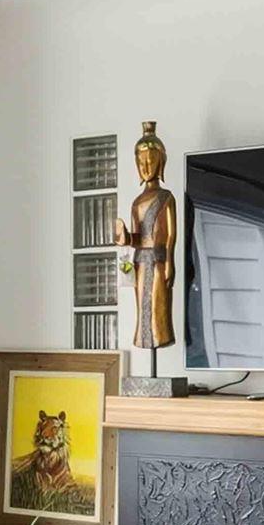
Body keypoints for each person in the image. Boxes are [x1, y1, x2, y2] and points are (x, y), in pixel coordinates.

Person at [115, 121, 177, 360]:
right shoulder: (136, 202)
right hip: (140, 261)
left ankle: (160, 337)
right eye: (141, 162)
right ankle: (143, 338)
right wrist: (124, 237)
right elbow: (137, 237)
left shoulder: (166, 198)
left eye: (150, 160)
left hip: (159, 260)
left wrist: (170, 261)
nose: (145, 166)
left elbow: (171, 234)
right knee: (142, 306)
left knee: (158, 303)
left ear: (160, 162)